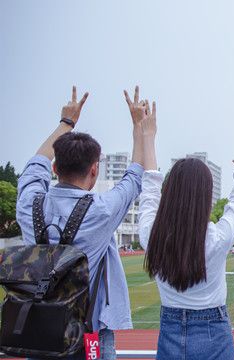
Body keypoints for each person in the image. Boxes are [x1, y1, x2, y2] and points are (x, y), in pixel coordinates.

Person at [16, 86, 147, 359]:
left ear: (55, 169)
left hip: (38, 330)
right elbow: (135, 177)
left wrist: (65, 123)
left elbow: (35, 165)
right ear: (95, 169)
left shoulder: (30, 204)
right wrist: (139, 127)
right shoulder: (101, 211)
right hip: (87, 333)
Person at [138, 87, 234, 359]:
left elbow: (149, 187)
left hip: (170, 332)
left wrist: (147, 135)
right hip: (213, 333)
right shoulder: (217, 239)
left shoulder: (152, 236)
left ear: (170, 193)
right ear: (206, 198)